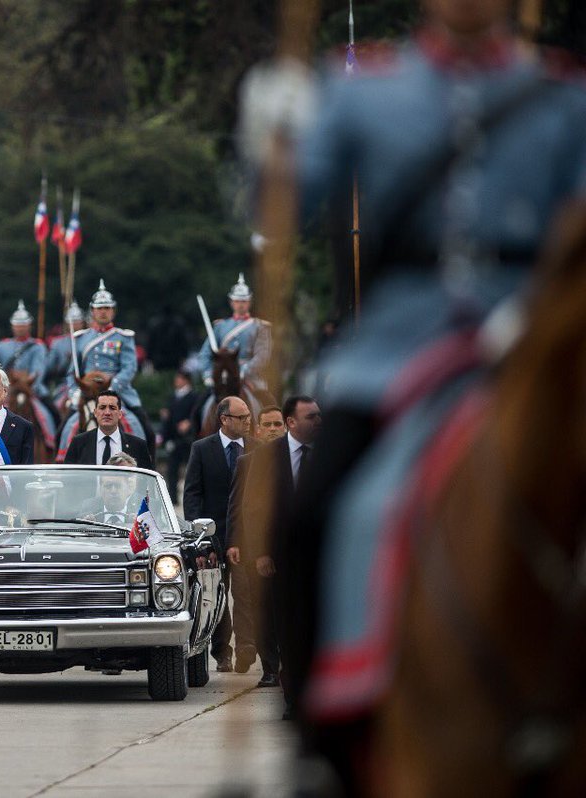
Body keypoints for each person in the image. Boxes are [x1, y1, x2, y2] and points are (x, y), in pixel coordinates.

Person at [240, 0, 586, 756]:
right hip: (396, 349)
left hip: (529, 336)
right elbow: (283, 211)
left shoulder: (563, 98)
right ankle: (321, 741)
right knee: (313, 516)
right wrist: (272, 143)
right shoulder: (365, 91)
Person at [228, 396, 321, 714]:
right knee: (275, 615)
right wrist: (260, 552)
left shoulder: (325, 453)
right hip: (276, 555)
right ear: (292, 422)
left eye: (318, 416)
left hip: (315, 555)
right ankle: (279, 678)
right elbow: (251, 508)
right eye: (310, 417)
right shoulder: (264, 458)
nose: (317, 422)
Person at [182, 395, 252, 673]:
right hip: (213, 537)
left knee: (246, 594)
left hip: (247, 537)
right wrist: (199, 532)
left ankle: (248, 646)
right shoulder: (202, 449)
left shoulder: (257, 448)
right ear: (224, 419)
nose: (248, 421)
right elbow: (192, 493)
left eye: (249, 416)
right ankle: (222, 652)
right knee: (217, 596)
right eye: (242, 417)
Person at [65, 281, 156, 448]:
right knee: (64, 429)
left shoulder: (123, 337)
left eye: (107, 308)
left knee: (145, 429)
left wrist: (113, 386)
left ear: (113, 310)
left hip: (118, 391)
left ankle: (146, 462)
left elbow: (130, 367)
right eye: (99, 308)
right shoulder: (80, 338)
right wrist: (74, 392)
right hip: (87, 393)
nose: (103, 312)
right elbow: (73, 372)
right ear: (92, 311)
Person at [196, 273, 273, 395]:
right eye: (237, 301)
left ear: (249, 302)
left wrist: (244, 370)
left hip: (249, 378)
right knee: (199, 407)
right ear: (231, 302)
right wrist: (208, 374)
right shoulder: (220, 326)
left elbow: (262, 355)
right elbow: (205, 353)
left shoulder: (260, 327)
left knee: (268, 404)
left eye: (244, 301)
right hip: (221, 377)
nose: (240, 304)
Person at [62, 390, 154, 470]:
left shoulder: (138, 446)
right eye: (102, 408)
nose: (107, 413)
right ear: (95, 413)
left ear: (120, 414)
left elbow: (146, 485)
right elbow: (68, 480)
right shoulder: (78, 443)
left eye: (112, 408)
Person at [160, 368, 201, 496]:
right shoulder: (173, 396)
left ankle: (191, 495)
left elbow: (198, 415)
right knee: (172, 469)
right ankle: (172, 498)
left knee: (191, 470)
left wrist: (189, 422)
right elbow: (168, 418)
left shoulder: (195, 397)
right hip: (174, 439)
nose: (176, 381)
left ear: (186, 380)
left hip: (189, 440)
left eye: (179, 378)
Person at [45, 300, 85, 405]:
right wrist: (65, 362)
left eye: (77, 322)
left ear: (82, 322)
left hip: (86, 383)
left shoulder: (89, 339)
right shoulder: (58, 343)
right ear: (67, 323)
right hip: (64, 384)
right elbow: (49, 368)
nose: (75, 325)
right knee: (56, 406)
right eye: (72, 322)